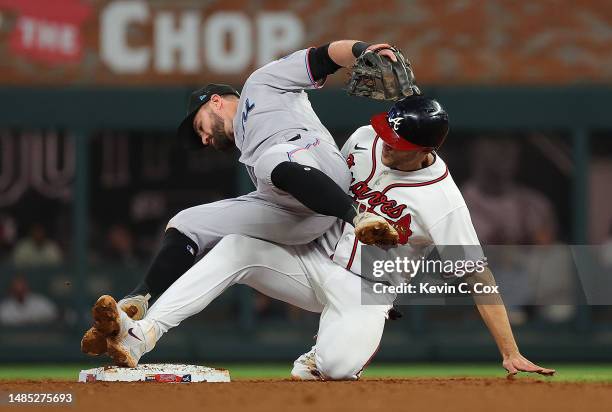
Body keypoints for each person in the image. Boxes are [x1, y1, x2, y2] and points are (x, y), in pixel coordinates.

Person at [82, 96, 554, 380]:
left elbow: (477, 273)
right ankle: (140, 335)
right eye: (387, 132)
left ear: (428, 149)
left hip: (365, 289)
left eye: (400, 143)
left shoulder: (443, 202)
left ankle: (319, 356)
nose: (386, 143)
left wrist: (509, 351)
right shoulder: (365, 140)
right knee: (236, 246)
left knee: (336, 370)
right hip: (311, 255)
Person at [116, 40, 405, 319]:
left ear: (215, 102)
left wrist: (360, 50)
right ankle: (139, 300)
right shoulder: (246, 144)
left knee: (272, 160)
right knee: (186, 223)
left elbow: (323, 57)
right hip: (294, 211)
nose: (203, 138)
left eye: (199, 126)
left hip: (320, 165)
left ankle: (360, 218)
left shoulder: (261, 83)